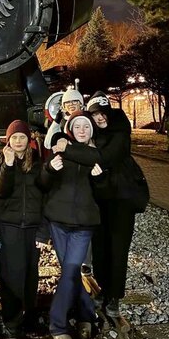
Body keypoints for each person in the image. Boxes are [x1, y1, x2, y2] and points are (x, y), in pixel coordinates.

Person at [54, 91, 137, 319]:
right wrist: (61, 138)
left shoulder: (119, 133)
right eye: (95, 115)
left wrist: (67, 149)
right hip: (100, 199)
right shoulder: (94, 133)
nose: (99, 118)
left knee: (118, 250)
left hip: (121, 200)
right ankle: (102, 288)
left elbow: (102, 157)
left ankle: (114, 296)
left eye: (102, 113)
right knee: (100, 248)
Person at [39, 111, 101, 339]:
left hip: (83, 224)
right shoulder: (59, 149)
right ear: (71, 129)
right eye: (77, 126)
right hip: (58, 221)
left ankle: (58, 326)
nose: (82, 130)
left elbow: (93, 159)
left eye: (86, 126)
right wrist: (50, 168)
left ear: (91, 130)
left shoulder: (95, 153)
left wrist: (99, 179)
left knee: (71, 270)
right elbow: (43, 183)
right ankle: (86, 314)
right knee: (70, 273)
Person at [0, 120, 46, 337]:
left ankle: (30, 316)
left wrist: (43, 230)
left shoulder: (37, 163)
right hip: (10, 227)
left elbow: (45, 196)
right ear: (8, 140)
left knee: (31, 275)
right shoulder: (1, 161)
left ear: (28, 139)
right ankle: (12, 320)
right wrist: (8, 165)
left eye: (22, 137)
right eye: (14, 137)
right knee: (11, 275)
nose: (18, 141)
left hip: (32, 227)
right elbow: (1, 191)